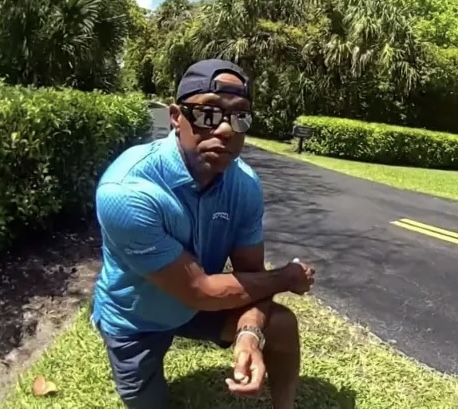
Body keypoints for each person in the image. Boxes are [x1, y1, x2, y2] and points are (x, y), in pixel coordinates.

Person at [91, 58, 316, 409]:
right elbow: (199, 290)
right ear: (175, 117)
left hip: (198, 308)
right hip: (136, 318)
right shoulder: (127, 191)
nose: (226, 129)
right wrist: (287, 277)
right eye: (208, 114)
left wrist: (249, 334)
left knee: (281, 325)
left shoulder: (244, 185)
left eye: (240, 116)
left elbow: (252, 278)